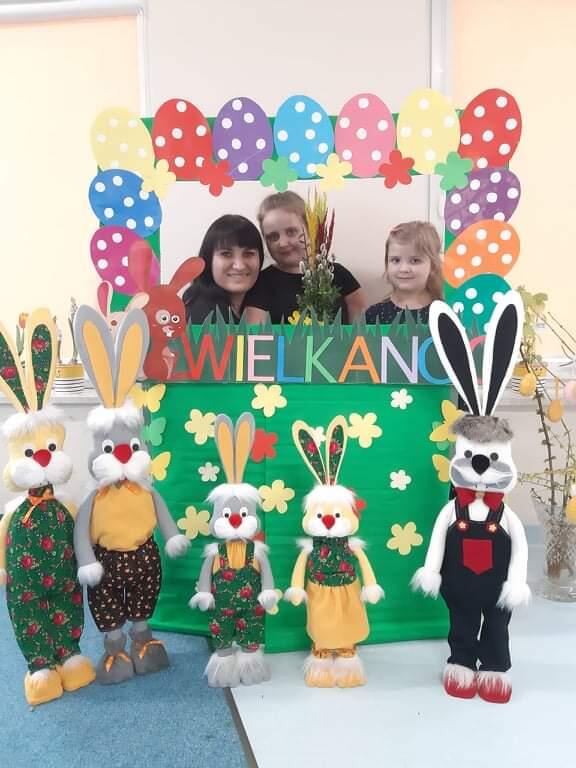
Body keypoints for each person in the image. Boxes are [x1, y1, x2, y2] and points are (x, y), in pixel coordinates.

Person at [244, 191, 366, 324]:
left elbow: (360, 324)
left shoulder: (337, 274)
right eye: (273, 237)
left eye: (291, 232)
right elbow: (255, 332)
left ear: (309, 229)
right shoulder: (261, 283)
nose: (283, 243)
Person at [183, 215, 264, 323]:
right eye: (226, 254)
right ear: (208, 259)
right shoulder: (205, 316)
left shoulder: (256, 303)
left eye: (248, 254)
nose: (239, 266)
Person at [365, 221, 443, 324]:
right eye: (396, 260)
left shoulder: (446, 312)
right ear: (387, 264)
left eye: (415, 260)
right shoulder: (373, 315)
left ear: (433, 265)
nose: (404, 269)